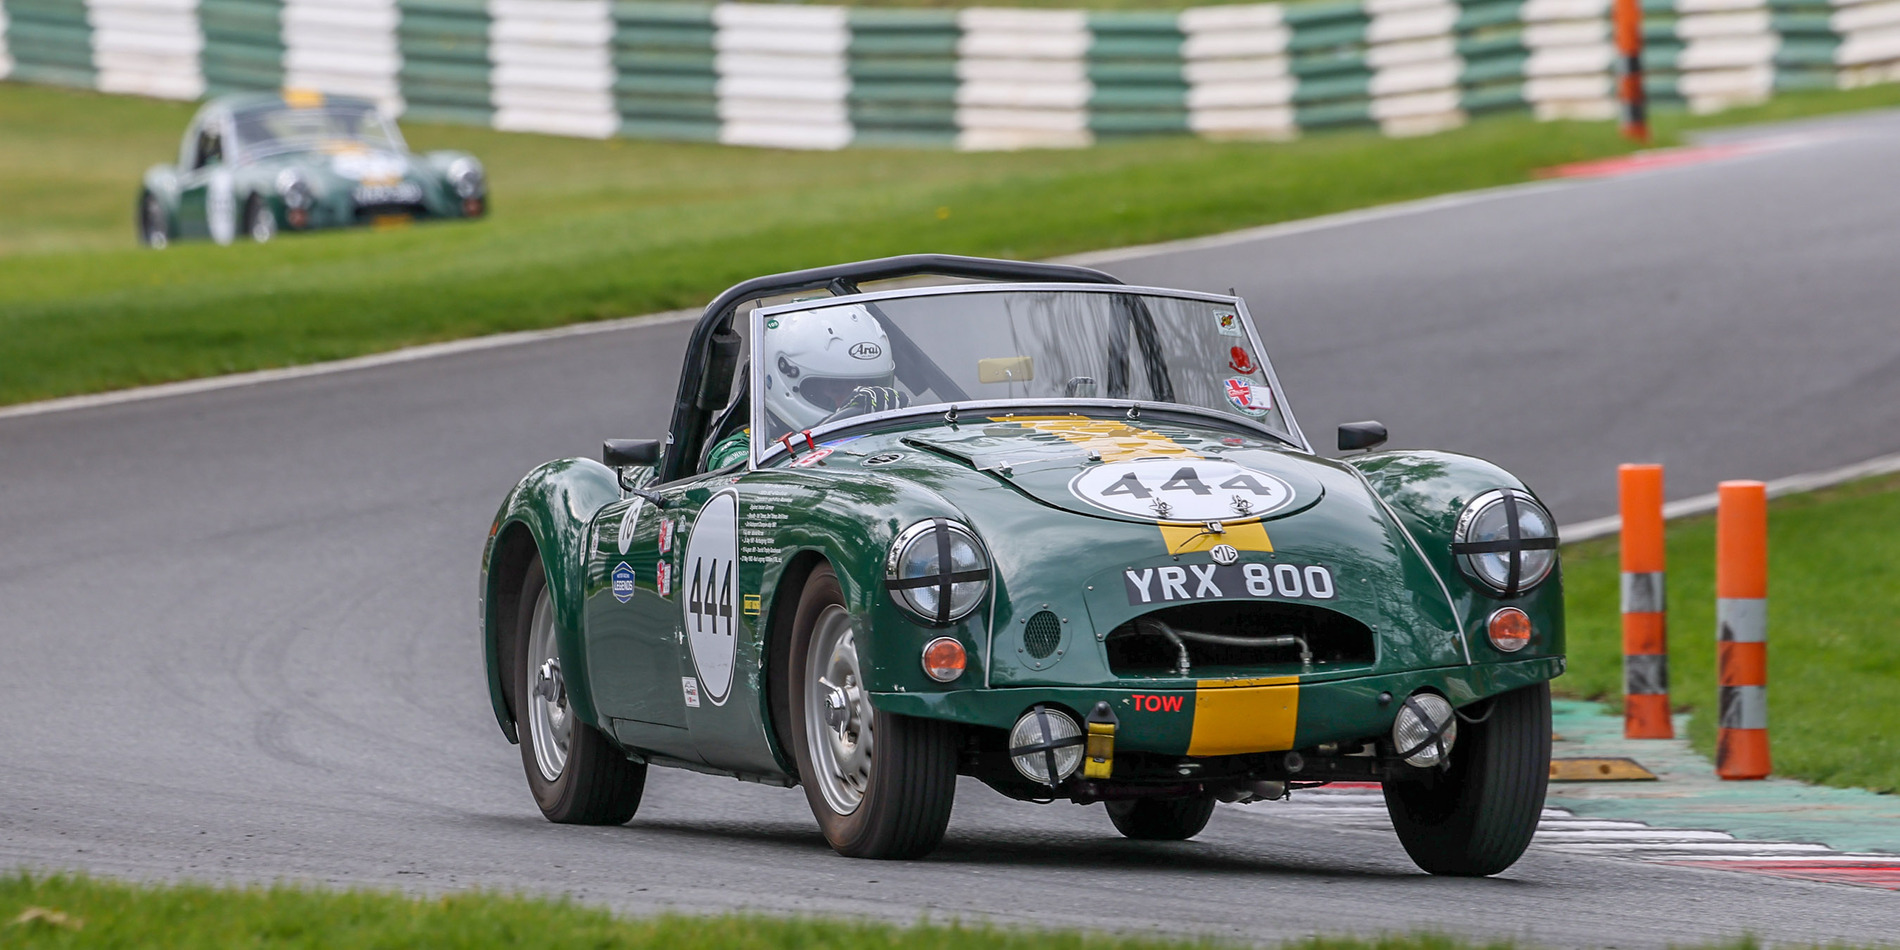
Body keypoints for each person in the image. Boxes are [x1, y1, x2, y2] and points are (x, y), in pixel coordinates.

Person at [704, 303, 910, 469]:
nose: (859, 396)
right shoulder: (740, 449)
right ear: (783, 380)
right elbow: (745, 480)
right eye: (837, 387)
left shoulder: (900, 435)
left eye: (870, 384)